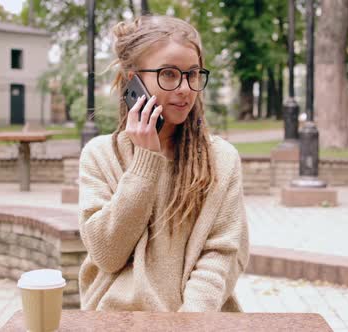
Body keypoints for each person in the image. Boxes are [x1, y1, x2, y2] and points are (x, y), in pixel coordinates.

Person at [77, 15, 250, 312]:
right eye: (169, 74)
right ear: (133, 81)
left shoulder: (221, 159)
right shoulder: (99, 155)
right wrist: (146, 160)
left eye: (193, 74)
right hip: (117, 320)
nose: (185, 88)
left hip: (198, 322)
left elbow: (221, 253)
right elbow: (107, 254)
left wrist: (189, 322)